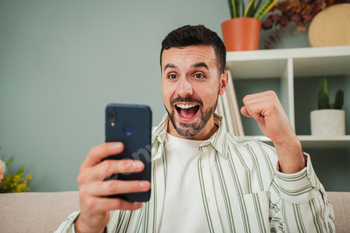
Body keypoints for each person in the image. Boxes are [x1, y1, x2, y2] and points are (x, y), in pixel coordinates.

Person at [56, 25, 335, 233]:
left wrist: (288, 145)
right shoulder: (121, 162)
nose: (184, 89)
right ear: (162, 82)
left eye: (199, 75)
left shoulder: (264, 162)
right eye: (172, 75)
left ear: (223, 83)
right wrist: (87, 223)